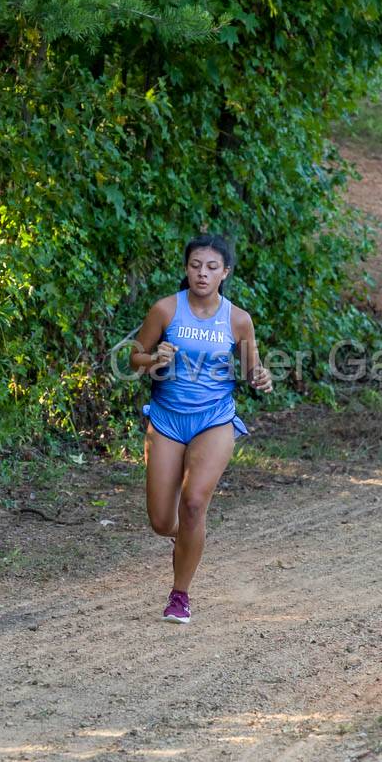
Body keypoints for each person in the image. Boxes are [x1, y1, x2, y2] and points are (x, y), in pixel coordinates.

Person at [130, 235, 273, 623]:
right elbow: (134, 358)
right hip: (166, 419)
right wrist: (154, 358)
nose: (202, 273)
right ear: (186, 268)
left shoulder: (238, 319)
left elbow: (249, 369)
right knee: (162, 522)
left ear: (225, 273)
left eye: (212, 267)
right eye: (195, 265)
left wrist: (260, 377)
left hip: (214, 418)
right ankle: (185, 536)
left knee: (193, 504)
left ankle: (180, 595)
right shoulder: (165, 310)